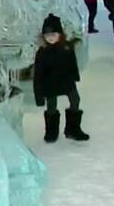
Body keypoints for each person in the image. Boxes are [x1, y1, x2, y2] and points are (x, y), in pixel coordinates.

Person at [34, 14, 90, 143]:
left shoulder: (66, 48)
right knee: (51, 106)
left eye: (53, 35)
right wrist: (39, 95)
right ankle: (51, 131)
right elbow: (38, 75)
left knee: (75, 100)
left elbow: (72, 62)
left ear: (60, 34)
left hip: (66, 81)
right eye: (47, 36)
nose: (50, 38)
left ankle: (73, 129)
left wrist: (75, 76)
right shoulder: (42, 52)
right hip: (50, 84)